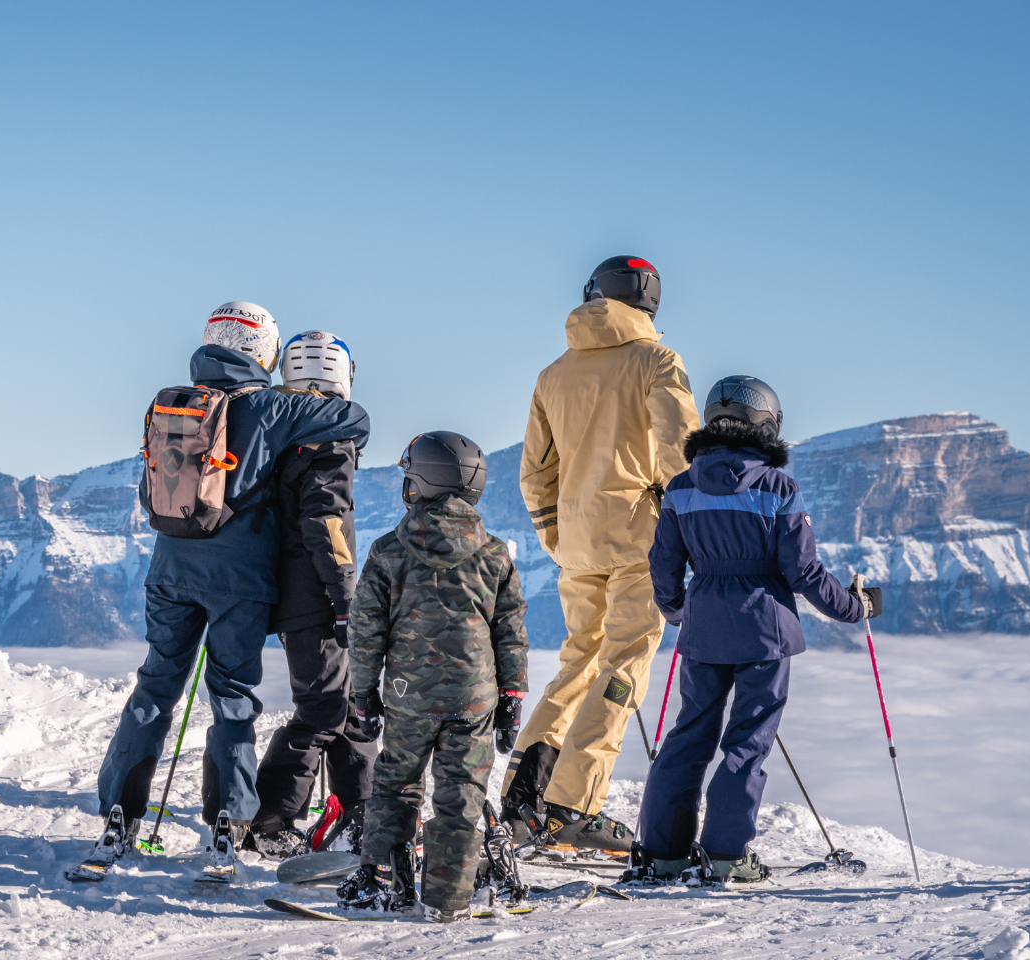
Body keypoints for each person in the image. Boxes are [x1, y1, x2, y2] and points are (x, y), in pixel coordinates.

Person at [68, 302, 371, 882]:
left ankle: (119, 812)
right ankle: (228, 820)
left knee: (156, 686)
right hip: (241, 584)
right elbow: (352, 421)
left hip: (169, 572)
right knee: (231, 698)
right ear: (264, 352)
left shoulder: (172, 402)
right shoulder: (271, 406)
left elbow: (149, 493)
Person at [631, 376, 879, 883]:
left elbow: (663, 566)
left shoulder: (681, 488)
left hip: (702, 629)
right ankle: (725, 855)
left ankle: (664, 853)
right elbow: (804, 574)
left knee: (688, 735)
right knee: (747, 741)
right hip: (765, 632)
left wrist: (679, 611)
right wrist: (857, 608)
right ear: (766, 425)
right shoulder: (778, 489)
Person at [502, 255, 700, 855]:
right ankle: (572, 807)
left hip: (577, 542)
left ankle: (523, 798)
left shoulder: (553, 373)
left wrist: (557, 534)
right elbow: (680, 449)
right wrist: (695, 527)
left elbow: (536, 472)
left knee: (577, 661)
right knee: (623, 666)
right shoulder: (658, 360)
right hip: (641, 539)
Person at [335, 432, 528, 922]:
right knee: (462, 794)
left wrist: (363, 693)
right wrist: (511, 697)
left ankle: (382, 879)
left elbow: (366, 631)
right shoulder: (496, 554)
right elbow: (510, 631)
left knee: (396, 785)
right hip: (474, 700)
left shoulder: (387, 552)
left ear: (422, 481)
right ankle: (448, 900)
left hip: (407, 697)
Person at [242, 330, 375, 859]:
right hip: (317, 594)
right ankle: (272, 817)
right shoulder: (331, 437)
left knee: (345, 705)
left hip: (281, 586)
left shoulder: (279, 430)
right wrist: (347, 598)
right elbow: (326, 521)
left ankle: (359, 812)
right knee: (325, 708)